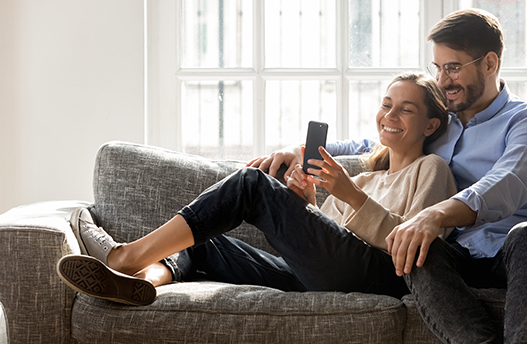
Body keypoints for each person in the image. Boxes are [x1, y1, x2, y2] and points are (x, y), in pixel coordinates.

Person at [251, 9, 527, 344]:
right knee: (416, 243)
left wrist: (434, 214)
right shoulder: (441, 123)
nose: (443, 81)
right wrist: (298, 151)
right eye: (439, 68)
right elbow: (373, 143)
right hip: (459, 258)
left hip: (522, 257)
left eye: (453, 68)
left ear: (490, 63)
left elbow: (507, 183)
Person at [56, 72, 457, 307]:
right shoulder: (367, 178)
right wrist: (307, 205)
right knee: (201, 243)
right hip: (324, 273)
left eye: (406, 109)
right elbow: (328, 243)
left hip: (379, 275)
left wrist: (349, 195)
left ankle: (123, 256)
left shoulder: (432, 169)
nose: (389, 115)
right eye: (387, 104)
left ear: (430, 125)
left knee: (252, 185)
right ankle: (144, 281)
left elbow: (416, 249)